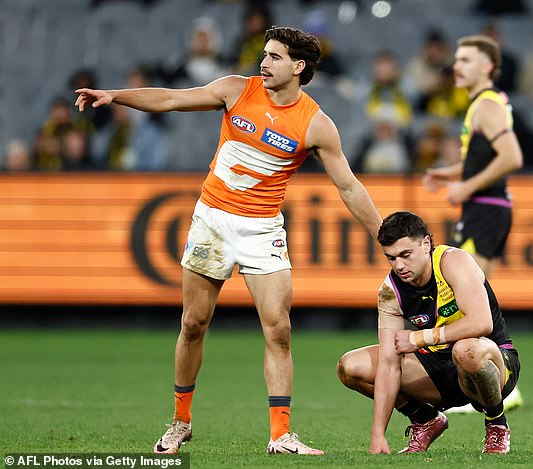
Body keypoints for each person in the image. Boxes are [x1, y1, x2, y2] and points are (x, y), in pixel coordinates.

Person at [75, 26, 382, 455]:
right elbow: (170, 98)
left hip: (262, 229)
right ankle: (180, 422)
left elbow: (348, 188)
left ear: (298, 66)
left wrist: (382, 235)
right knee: (193, 323)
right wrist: (115, 94)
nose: (264, 62)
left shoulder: (316, 124)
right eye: (264, 54)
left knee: (279, 329)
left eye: (274, 57)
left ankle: (280, 435)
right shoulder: (236, 90)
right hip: (212, 221)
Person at [337, 211, 521, 454]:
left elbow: (481, 322)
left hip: (493, 364)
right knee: (350, 366)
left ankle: (497, 424)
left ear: (425, 244)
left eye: (405, 255)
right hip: (437, 372)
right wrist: (378, 434)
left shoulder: (453, 262)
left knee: (467, 350)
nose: (399, 266)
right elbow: (389, 365)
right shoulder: (390, 292)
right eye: (391, 258)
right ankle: (425, 419)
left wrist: (418, 338)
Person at [422, 35, 524, 412]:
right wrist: (450, 175)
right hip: (488, 207)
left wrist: (466, 186)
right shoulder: (484, 105)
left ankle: (492, 382)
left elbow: (512, 156)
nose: (457, 66)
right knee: (478, 299)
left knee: (469, 299)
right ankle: (494, 377)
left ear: (488, 67)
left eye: (466, 60)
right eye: (456, 59)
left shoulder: (486, 106)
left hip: (485, 208)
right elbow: (482, 160)